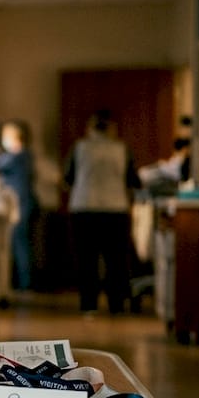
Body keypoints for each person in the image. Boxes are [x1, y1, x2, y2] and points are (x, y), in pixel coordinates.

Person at [64, 109, 142, 315]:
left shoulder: (79, 148)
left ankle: (88, 304)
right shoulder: (122, 149)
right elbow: (133, 179)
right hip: (115, 209)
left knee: (86, 260)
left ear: (90, 127)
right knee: (116, 260)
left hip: (83, 208)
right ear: (111, 127)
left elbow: (68, 178)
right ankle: (116, 304)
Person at [0, 120, 38, 291]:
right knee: (21, 244)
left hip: (22, 205)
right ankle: (22, 281)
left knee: (20, 245)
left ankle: (25, 284)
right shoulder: (23, 155)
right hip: (24, 203)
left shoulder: (18, 155)